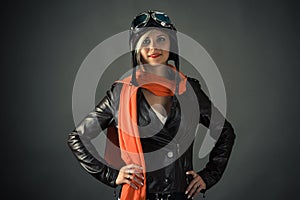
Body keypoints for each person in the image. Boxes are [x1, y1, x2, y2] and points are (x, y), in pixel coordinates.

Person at [68, 10, 236, 200]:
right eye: (146, 41)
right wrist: (112, 176)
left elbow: (225, 131)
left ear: (171, 45)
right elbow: (78, 138)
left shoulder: (189, 90)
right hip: (139, 194)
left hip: (180, 195)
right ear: (136, 48)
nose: (154, 47)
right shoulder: (120, 94)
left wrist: (209, 176)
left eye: (161, 39)